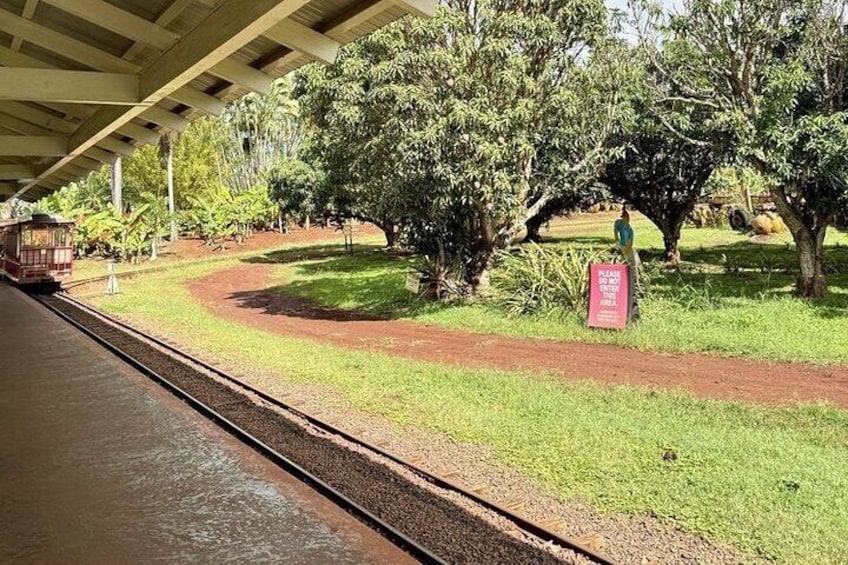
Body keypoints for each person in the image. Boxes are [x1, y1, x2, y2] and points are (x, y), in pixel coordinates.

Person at [613, 207, 639, 321]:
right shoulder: (618, 223)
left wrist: (627, 250)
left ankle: (634, 284)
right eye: (623, 217)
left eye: (626, 217)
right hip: (620, 246)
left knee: (631, 266)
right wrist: (617, 241)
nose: (625, 219)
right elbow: (615, 230)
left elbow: (630, 241)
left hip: (628, 249)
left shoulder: (630, 229)